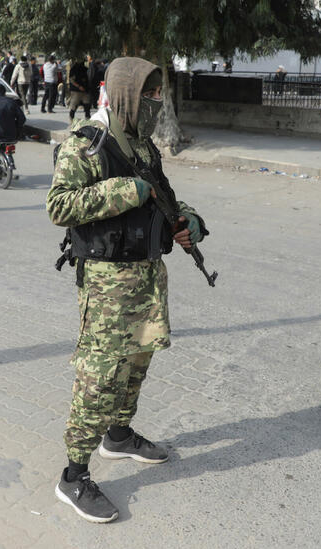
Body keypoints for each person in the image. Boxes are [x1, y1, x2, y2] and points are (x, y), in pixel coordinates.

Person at [46, 57, 207, 524]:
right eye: (149, 95)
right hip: (108, 284)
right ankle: (73, 475)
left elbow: (165, 197)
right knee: (101, 376)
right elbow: (59, 206)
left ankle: (118, 435)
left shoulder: (142, 145)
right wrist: (123, 191)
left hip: (148, 278)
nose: (157, 103)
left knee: (138, 362)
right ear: (125, 96)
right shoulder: (87, 144)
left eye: (159, 94)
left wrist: (188, 222)